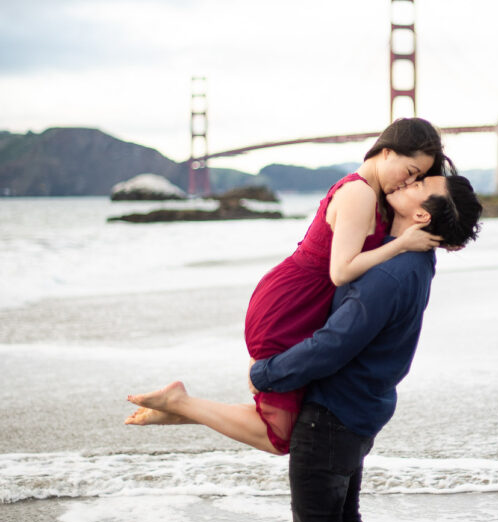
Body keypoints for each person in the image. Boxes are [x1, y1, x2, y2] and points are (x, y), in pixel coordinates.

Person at [248, 173, 483, 522]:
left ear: (422, 216)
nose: (410, 178)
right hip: (361, 405)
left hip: (335, 411)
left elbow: (335, 343)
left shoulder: (389, 273)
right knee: (342, 520)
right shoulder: (410, 258)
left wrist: (268, 372)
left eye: (423, 182)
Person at [125, 118, 453, 453]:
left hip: (307, 303)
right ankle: (180, 403)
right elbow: (341, 272)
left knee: (286, 420)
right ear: (386, 152)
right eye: (410, 170)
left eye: (417, 178)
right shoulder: (359, 193)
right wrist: (401, 245)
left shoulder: (374, 195)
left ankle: (183, 410)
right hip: (291, 303)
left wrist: (449, 231)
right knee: (278, 436)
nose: (410, 181)